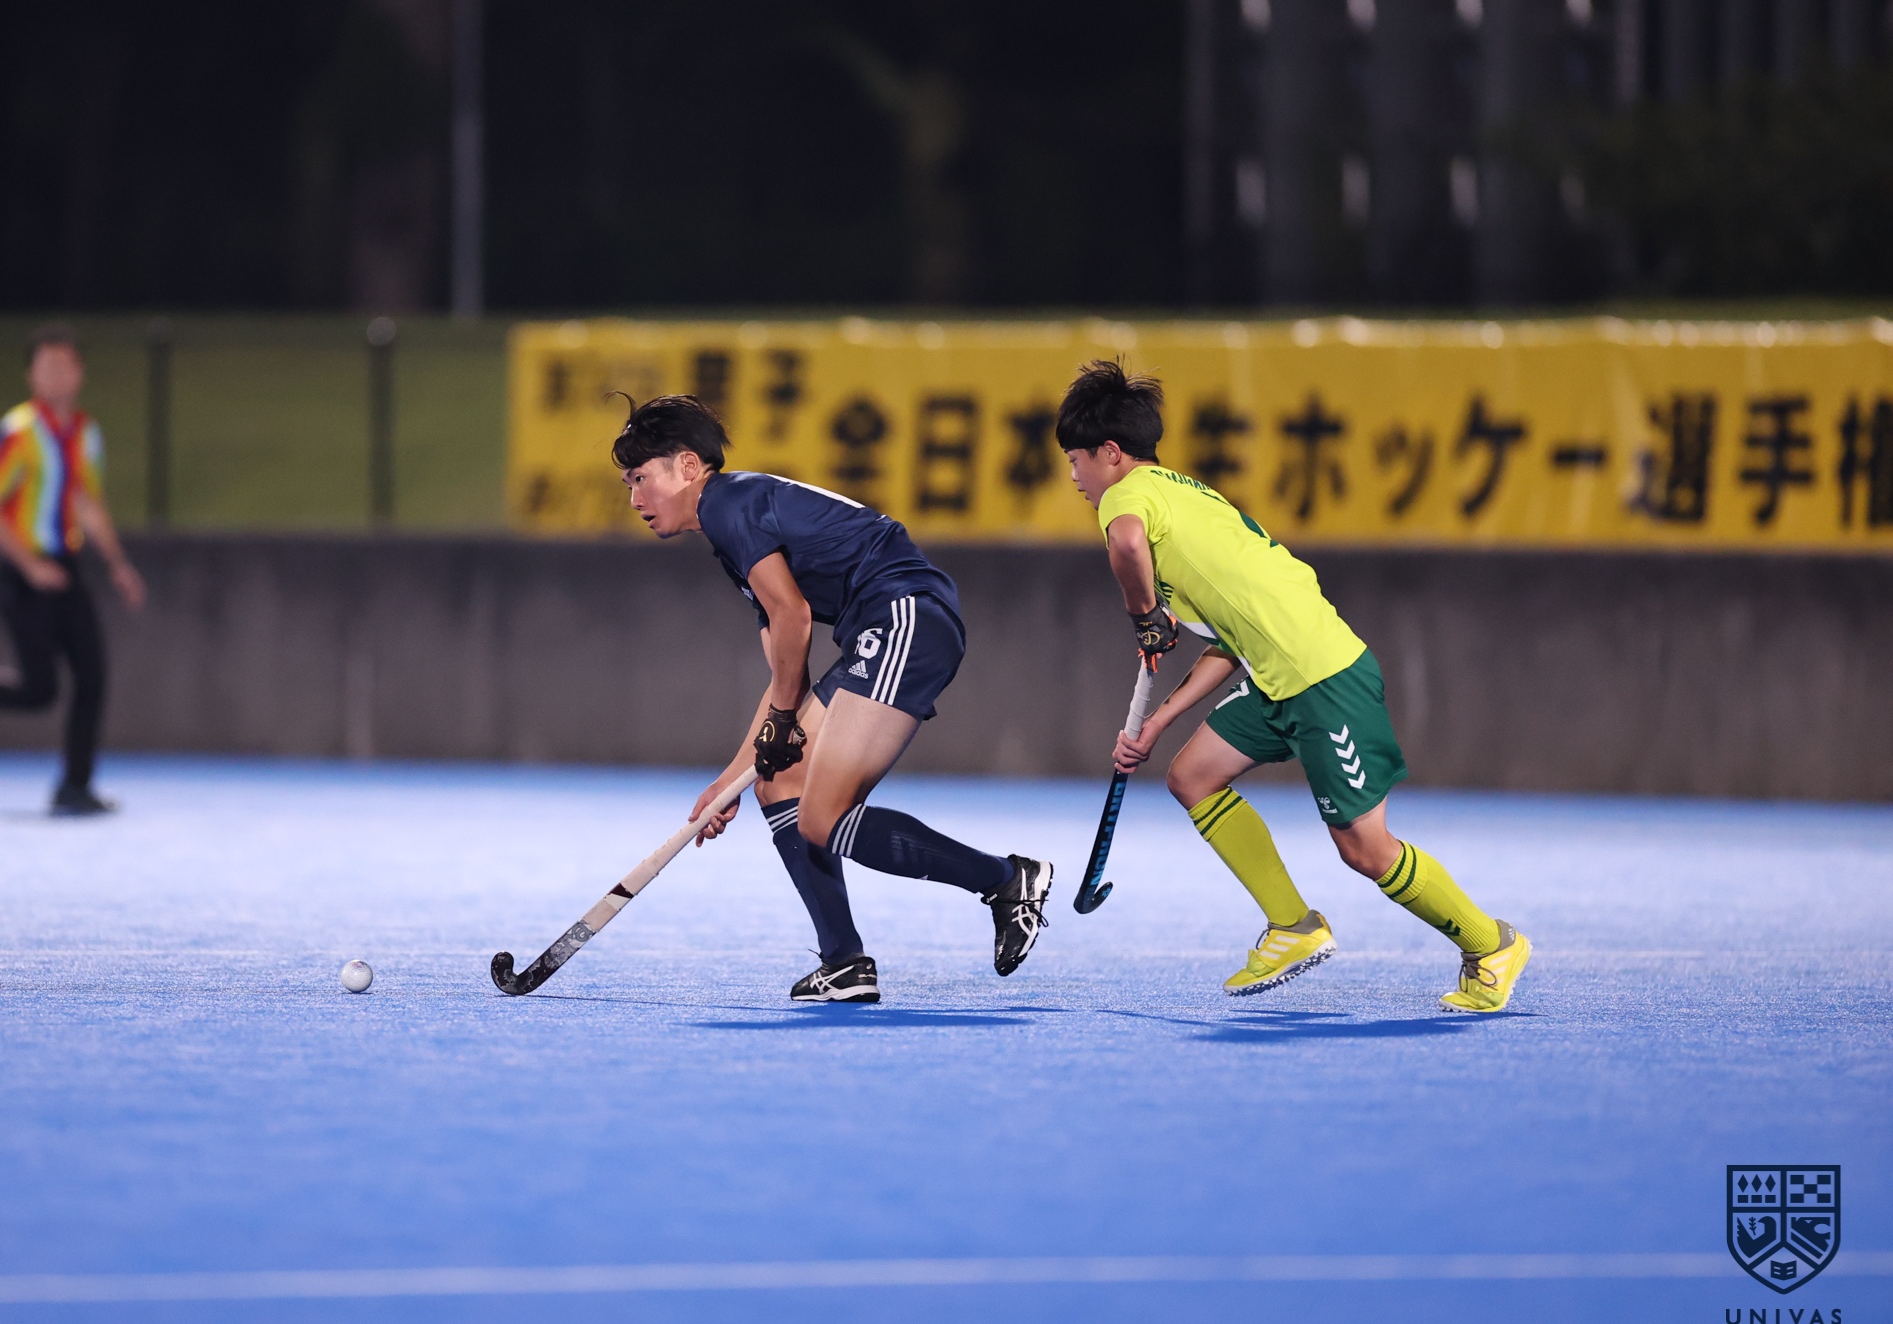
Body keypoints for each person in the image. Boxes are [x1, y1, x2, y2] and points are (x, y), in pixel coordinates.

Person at [1059, 361, 1530, 1013]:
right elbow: (1232, 644)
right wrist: (1157, 724)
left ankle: (1491, 944)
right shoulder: (1186, 498)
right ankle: (1291, 925)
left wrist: (1143, 616)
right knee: (1191, 776)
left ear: (1111, 453)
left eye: (1075, 461)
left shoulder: (1127, 499)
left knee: (1365, 850)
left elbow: (1127, 545)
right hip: (1278, 676)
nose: (1075, 478)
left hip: (1322, 678)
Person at [615, 394, 1054, 1003]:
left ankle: (1006, 879)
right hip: (882, 626)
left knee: (822, 816)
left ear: (688, 466)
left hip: (904, 615)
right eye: (627, 484)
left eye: (641, 478)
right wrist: (729, 780)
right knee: (776, 785)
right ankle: (843, 960)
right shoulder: (731, 528)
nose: (634, 499)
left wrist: (779, 723)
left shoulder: (728, 504)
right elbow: (784, 672)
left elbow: (794, 619)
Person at [0, 325, 145, 815]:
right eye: (45, 366)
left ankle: (75, 786)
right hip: (23, 577)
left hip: (66, 570)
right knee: (39, 689)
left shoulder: (86, 434)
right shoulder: (19, 432)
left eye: (64, 364)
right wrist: (30, 566)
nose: (55, 375)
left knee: (93, 675)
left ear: (80, 373)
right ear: (30, 375)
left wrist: (117, 564)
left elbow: (87, 502)